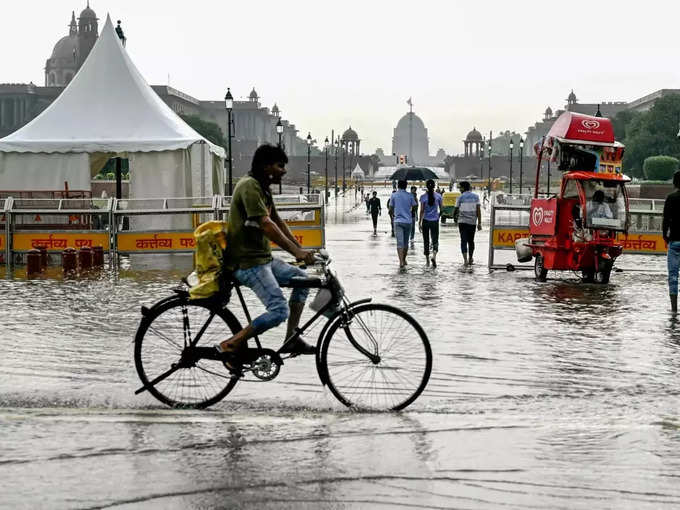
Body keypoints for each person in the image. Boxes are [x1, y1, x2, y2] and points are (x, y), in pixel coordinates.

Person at [199, 144, 318, 367]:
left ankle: (292, 338)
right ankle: (233, 343)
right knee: (278, 310)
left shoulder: (263, 188)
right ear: (266, 167)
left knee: (303, 281)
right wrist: (296, 251)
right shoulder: (249, 187)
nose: (284, 171)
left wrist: (301, 249)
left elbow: (278, 222)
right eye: (280, 166)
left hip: (263, 260)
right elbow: (266, 224)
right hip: (247, 263)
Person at [663, 170, 680, 312]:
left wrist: (665, 236)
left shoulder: (671, 198)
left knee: (673, 276)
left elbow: (666, 220)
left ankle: (674, 309)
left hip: (674, 241)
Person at [454, 181, 482, 266]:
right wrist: (479, 223)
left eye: (460, 188)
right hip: (472, 222)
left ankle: (465, 260)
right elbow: (478, 211)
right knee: (471, 241)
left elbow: (455, 210)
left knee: (463, 240)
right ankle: (470, 258)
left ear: (463, 188)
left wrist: (454, 218)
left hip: (462, 222)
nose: (459, 189)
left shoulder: (460, 197)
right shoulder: (476, 197)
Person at [391, 180, 418, 268]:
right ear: (406, 186)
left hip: (398, 221)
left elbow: (391, 208)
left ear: (398, 186)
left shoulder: (394, 195)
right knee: (406, 242)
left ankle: (401, 261)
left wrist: (392, 214)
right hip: (408, 221)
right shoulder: (410, 196)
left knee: (399, 242)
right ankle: (404, 259)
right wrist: (411, 211)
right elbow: (415, 206)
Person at [419, 179, 442, 267]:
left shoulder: (423, 197)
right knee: (435, 239)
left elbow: (421, 211)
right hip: (434, 221)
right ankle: (434, 256)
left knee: (426, 240)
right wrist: (438, 216)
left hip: (425, 221)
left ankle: (427, 260)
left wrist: (420, 223)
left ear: (426, 186)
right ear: (434, 186)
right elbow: (442, 209)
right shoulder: (438, 196)